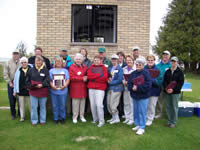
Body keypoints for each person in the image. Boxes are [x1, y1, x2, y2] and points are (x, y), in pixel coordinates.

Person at [128, 58, 152, 135]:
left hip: (143, 96)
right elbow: (129, 83)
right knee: (136, 111)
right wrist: (132, 88)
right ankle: (137, 124)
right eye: (137, 64)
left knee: (142, 112)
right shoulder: (133, 73)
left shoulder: (146, 73)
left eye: (140, 65)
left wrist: (138, 88)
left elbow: (148, 85)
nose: (138, 66)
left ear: (143, 65)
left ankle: (142, 127)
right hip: (135, 95)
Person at [26, 55, 50, 126]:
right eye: (37, 61)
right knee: (34, 107)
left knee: (42, 107)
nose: (39, 62)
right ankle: (34, 121)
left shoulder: (45, 70)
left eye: (40, 61)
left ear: (42, 62)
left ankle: (42, 120)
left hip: (43, 91)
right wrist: (31, 86)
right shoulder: (31, 70)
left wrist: (42, 84)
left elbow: (48, 80)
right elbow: (27, 80)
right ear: (35, 62)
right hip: (33, 91)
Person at [163, 56, 184, 128]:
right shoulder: (167, 71)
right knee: (168, 107)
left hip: (175, 93)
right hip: (167, 92)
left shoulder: (180, 72)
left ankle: (174, 122)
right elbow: (165, 81)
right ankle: (169, 121)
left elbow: (180, 83)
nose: (173, 62)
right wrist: (167, 88)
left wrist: (173, 90)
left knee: (174, 107)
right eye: (172, 61)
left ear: (177, 62)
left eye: (174, 61)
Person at [87, 56, 108, 127]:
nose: (96, 61)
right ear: (93, 61)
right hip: (91, 88)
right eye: (95, 60)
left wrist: (94, 78)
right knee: (92, 105)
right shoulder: (91, 67)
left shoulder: (103, 68)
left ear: (100, 61)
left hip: (100, 89)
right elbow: (89, 76)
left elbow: (104, 78)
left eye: (98, 60)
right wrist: (99, 75)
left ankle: (101, 121)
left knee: (99, 105)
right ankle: (95, 119)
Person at [49, 57, 70, 124]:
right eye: (57, 61)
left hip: (63, 90)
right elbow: (49, 80)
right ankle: (56, 118)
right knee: (55, 105)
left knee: (62, 105)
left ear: (62, 63)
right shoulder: (51, 71)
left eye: (60, 61)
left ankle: (62, 118)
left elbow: (68, 79)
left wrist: (65, 85)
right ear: (55, 63)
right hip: (54, 90)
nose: (58, 63)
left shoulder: (65, 71)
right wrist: (52, 86)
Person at [69, 53, 88, 124]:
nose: (78, 60)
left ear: (82, 60)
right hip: (75, 89)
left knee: (82, 103)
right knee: (75, 104)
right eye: (77, 59)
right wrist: (81, 79)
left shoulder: (85, 67)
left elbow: (87, 75)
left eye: (79, 59)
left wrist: (87, 78)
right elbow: (71, 78)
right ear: (74, 60)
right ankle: (75, 117)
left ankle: (82, 116)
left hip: (83, 88)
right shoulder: (72, 67)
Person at [144, 55, 162, 126]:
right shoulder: (144, 68)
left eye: (152, 60)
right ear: (147, 61)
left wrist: (151, 80)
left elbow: (159, 81)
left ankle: (150, 119)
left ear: (154, 61)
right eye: (149, 60)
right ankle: (145, 118)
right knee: (146, 105)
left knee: (151, 105)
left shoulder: (157, 69)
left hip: (154, 91)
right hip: (145, 90)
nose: (150, 62)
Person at [13, 57, 32, 122]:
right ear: (21, 63)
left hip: (29, 91)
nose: (24, 63)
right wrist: (14, 90)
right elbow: (15, 81)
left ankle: (32, 117)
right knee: (21, 105)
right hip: (20, 90)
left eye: (25, 62)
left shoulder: (31, 69)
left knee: (31, 105)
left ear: (27, 62)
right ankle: (22, 117)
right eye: (22, 62)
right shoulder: (18, 70)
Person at [4, 49, 21, 120]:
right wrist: (9, 82)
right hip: (11, 83)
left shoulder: (21, 62)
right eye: (14, 54)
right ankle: (13, 114)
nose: (15, 55)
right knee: (12, 99)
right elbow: (5, 74)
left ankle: (20, 114)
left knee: (20, 99)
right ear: (12, 54)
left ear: (19, 54)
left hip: (20, 84)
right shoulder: (7, 62)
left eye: (17, 53)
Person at [107, 54, 124, 124]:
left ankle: (117, 118)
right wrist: (108, 79)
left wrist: (111, 82)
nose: (113, 60)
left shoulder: (120, 69)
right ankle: (113, 117)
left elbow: (120, 79)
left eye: (115, 59)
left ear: (117, 60)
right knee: (108, 104)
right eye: (112, 59)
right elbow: (108, 76)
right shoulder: (110, 68)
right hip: (110, 88)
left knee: (113, 104)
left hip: (117, 88)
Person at [155, 50, 171, 119]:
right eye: (164, 54)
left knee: (168, 101)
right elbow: (155, 75)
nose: (165, 56)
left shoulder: (171, 65)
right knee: (159, 101)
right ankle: (159, 113)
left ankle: (169, 114)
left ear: (169, 57)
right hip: (160, 86)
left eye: (166, 55)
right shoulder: (157, 65)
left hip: (168, 86)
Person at [122, 55, 135, 125]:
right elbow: (122, 78)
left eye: (130, 60)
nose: (128, 61)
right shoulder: (124, 69)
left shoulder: (135, 69)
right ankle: (127, 117)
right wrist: (123, 81)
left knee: (131, 103)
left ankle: (131, 118)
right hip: (125, 88)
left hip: (132, 88)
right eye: (127, 60)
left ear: (133, 61)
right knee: (126, 103)